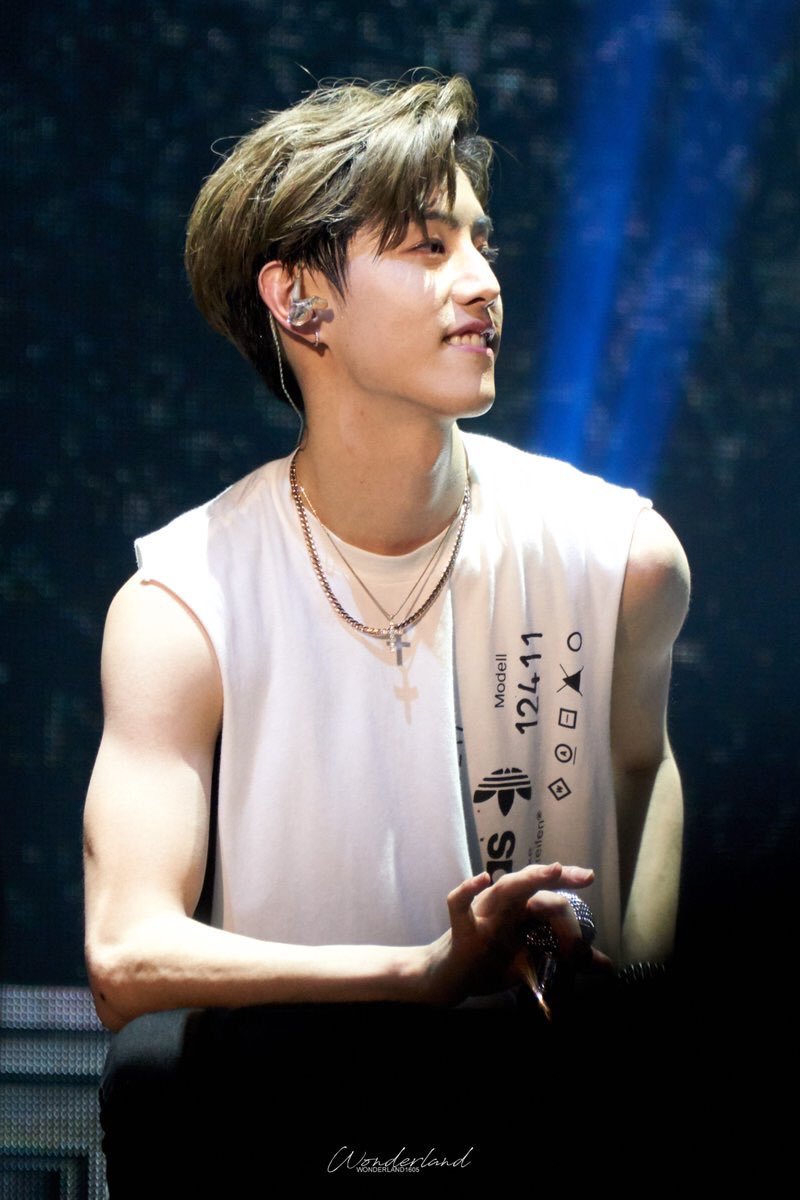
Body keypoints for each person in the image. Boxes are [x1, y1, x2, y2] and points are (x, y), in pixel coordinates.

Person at [84, 74, 689, 1188]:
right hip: (294, 1103)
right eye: (426, 246)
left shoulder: (621, 559)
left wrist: (640, 988)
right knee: (155, 1073)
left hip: (546, 1093)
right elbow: (125, 957)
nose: (483, 281)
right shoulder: (181, 603)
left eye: (481, 242)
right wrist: (420, 972)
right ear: (299, 301)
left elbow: (642, 767)